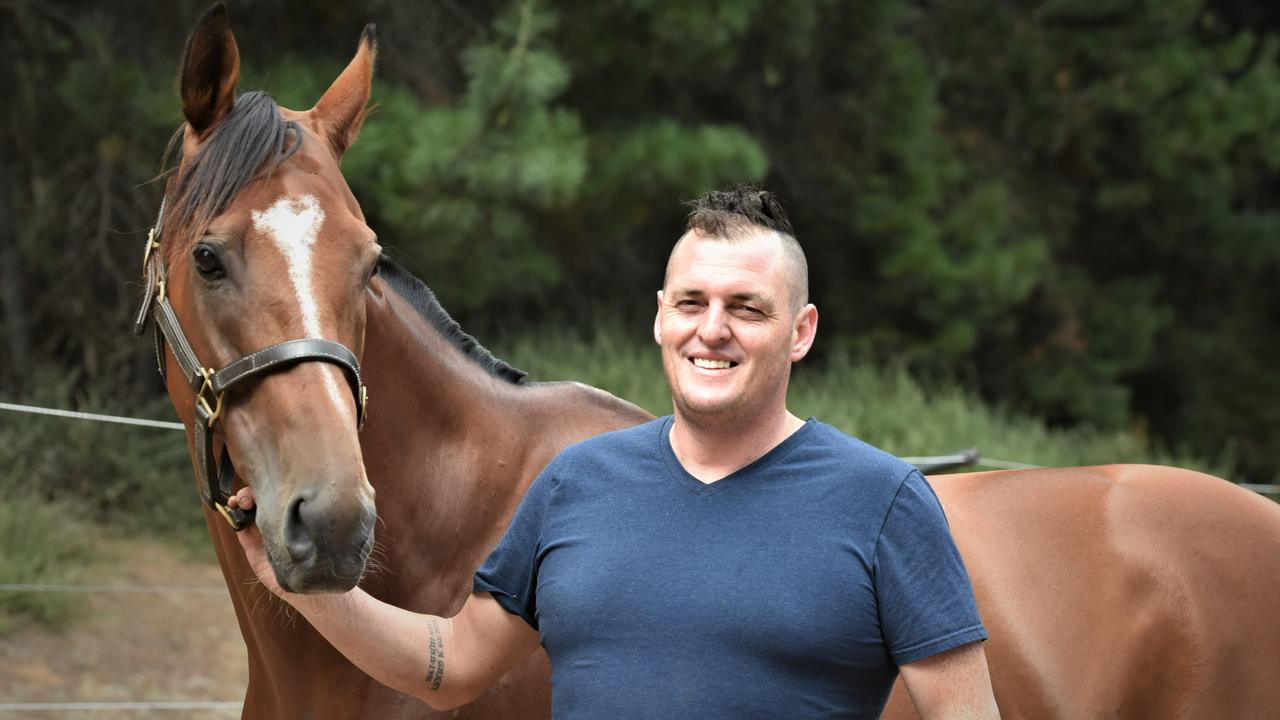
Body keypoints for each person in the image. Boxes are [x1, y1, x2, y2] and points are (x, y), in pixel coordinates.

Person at [229, 186, 1000, 718]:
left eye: (747, 309)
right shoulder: (576, 484)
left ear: (800, 331)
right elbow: (453, 664)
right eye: (692, 303)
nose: (713, 329)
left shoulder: (885, 503)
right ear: (661, 317)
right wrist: (304, 590)